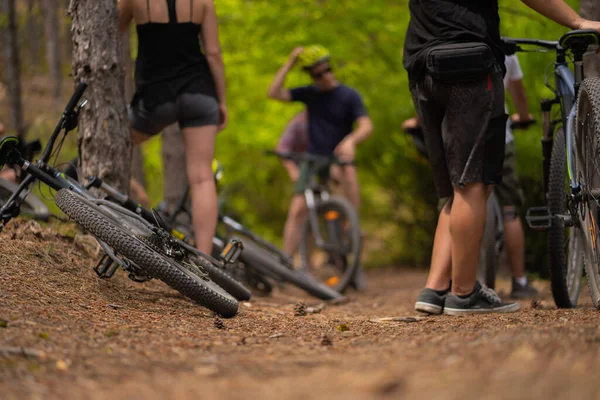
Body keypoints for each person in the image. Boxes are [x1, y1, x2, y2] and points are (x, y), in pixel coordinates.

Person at [405, 0, 600, 315]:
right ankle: (464, 294)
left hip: (421, 62)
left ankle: (435, 287)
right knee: (473, 183)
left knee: (458, 187)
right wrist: (576, 21)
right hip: (469, 62)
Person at [404, 54, 538, 299]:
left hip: (453, 137)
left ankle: (441, 284)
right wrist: (525, 116)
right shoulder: (504, 52)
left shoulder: (436, 45)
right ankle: (519, 281)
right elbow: (519, 94)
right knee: (509, 210)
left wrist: (415, 121)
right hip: (497, 134)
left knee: (452, 200)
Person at [119, 0, 227, 254]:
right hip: (199, 95)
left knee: (114, 143)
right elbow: (213, 54)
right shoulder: (204, 3)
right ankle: (205, 260)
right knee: (202, 177)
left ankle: (116, 217)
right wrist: (221, 101)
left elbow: (112, 31)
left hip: (155, 99)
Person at [267, 45, 373, 259]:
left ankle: (351, 224)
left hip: (338, 158)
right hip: (313, 159)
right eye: (318, 74)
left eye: (327, 70)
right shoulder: (310, 94)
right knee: (298, 210)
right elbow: (274, 93)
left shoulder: (349, 95)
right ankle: (285, 263)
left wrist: (351, 141)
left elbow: (366, 125)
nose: (325, 76)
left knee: (346, 171)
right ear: (312, 75)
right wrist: (290, 63)